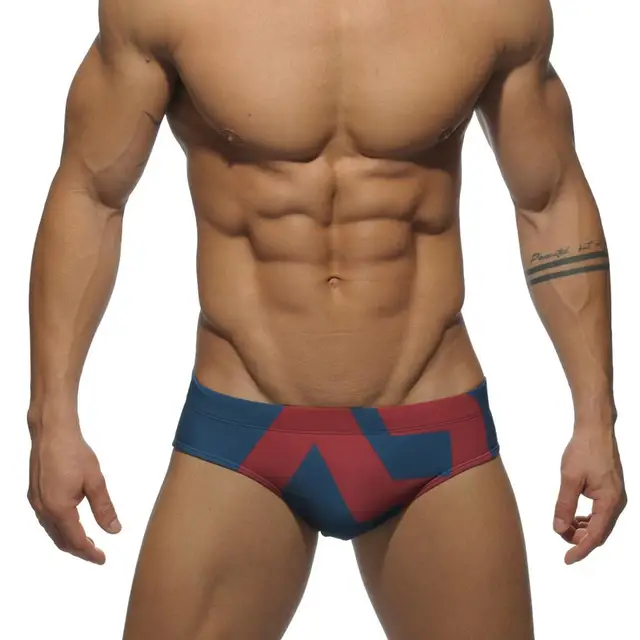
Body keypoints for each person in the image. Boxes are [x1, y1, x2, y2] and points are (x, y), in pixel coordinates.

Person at [26, 0, 627, 638]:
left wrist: (596, 418)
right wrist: (51, 419)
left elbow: (549, 200)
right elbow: (91, 194)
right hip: (241, 428)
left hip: (433, 427)